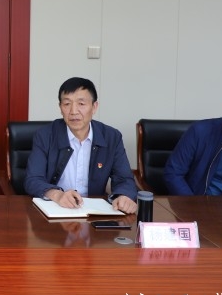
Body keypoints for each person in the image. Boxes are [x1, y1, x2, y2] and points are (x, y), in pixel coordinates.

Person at [24, 77, 138, 213]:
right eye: (67, 104)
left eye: (81, 104)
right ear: (60, 108)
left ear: (94, 107)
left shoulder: (111, 137)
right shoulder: (45, 135)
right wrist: (57, 195)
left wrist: (124, 195)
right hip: (56, 208)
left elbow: (124, 178)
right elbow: (33, 179)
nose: (73, 111)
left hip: (95, 211)